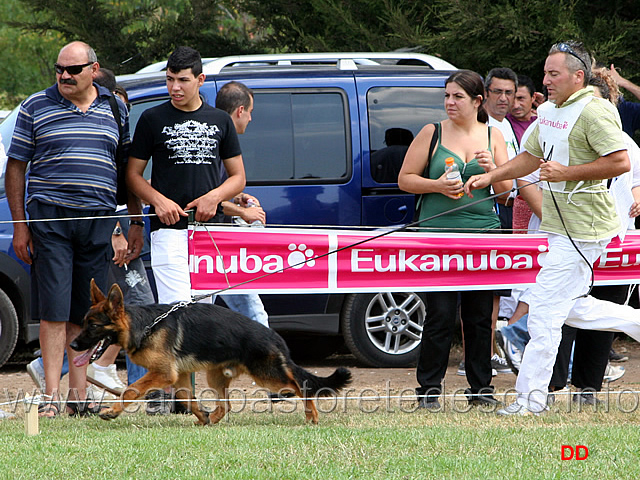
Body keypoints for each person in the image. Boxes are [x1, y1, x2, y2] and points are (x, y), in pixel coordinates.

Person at [465, 41, 640, 415]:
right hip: (558, 226)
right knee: (564, 307)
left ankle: (530, 401)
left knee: (544, 311)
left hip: (585, 229)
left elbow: (621, 162)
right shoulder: (548, 111)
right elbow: (529, 157)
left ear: (578, 76)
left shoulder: (595, 112)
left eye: (554, 73)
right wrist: (492, 176)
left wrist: (565, 173)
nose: (546, 79)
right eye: (545, 73)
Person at [6, 41, 140, 417]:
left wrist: (131, 222)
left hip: (98, 219)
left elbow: (125, 170)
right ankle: (51, 395)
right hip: (50, 218)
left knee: (87, 311)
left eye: (73, 70)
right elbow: (16, 167)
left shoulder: (116, 107)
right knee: (52, 309)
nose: (64, 76)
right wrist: (21, 226)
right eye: (59, 69)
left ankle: (78, 396)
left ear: (94, 70)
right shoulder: (35, 106)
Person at [398, 69, 512, 409]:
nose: (449, 102)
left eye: (457, 97)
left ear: (477, 101)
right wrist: (436, 186)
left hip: (482, 235)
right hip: (437, 237)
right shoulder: (432, 132)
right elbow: (404, 179)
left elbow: (507, 194)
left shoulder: (494, 136)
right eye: (446, 95)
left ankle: (481, 390)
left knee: (480, 317)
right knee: (440, 315)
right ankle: (429, 390)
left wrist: (492, 170)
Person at [127, 46, 245, 305]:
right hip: (167, 229)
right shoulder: (151, 119)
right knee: (176, 309)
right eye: (170, 79)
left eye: (183, 80)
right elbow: (133, 175)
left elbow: (238, 177)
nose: (175, 88)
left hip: (210, 229)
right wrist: (158, 201)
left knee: (203, 312)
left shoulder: (220, 121)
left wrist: (213, 198)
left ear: (200, 80)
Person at [214, 80, 269, 327]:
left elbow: (217, 192)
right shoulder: (215, 144)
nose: (250, 119)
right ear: (239, 111)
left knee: (253, 314)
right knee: (254, 316)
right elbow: (204, 197)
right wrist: (243, 213)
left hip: (217, 242)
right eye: (250, 113)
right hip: (211, 243)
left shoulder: (220, 139)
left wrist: (237, 198)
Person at [484, 67, 519, 231]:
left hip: (511, 205)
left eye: (509, 92)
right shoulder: (480, 123)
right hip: (492, 204)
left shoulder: (507, 123)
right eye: (497, 91)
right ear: (486, 93)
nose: (503, 98)